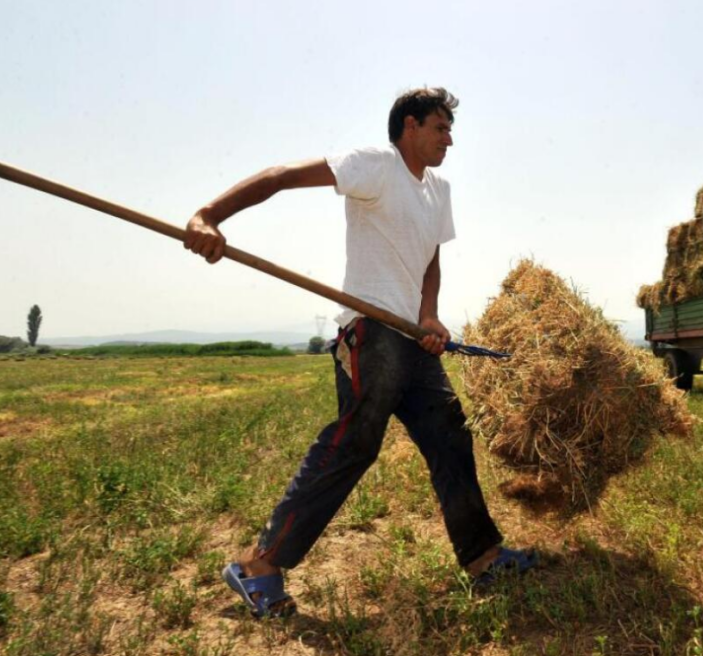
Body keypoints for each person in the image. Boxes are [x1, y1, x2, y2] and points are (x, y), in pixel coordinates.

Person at [184, 87, 535, 619]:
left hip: (413, 340)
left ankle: (483, 557)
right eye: (441, 128)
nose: (450, 139)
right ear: (410, 126)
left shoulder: (438, 189)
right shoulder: (375, 165)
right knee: (355, 443)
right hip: (370, 331)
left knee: (449, 436)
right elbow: (280, 176)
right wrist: (209, 215)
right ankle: (258, 567)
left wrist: (429, 315)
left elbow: (430, 261)